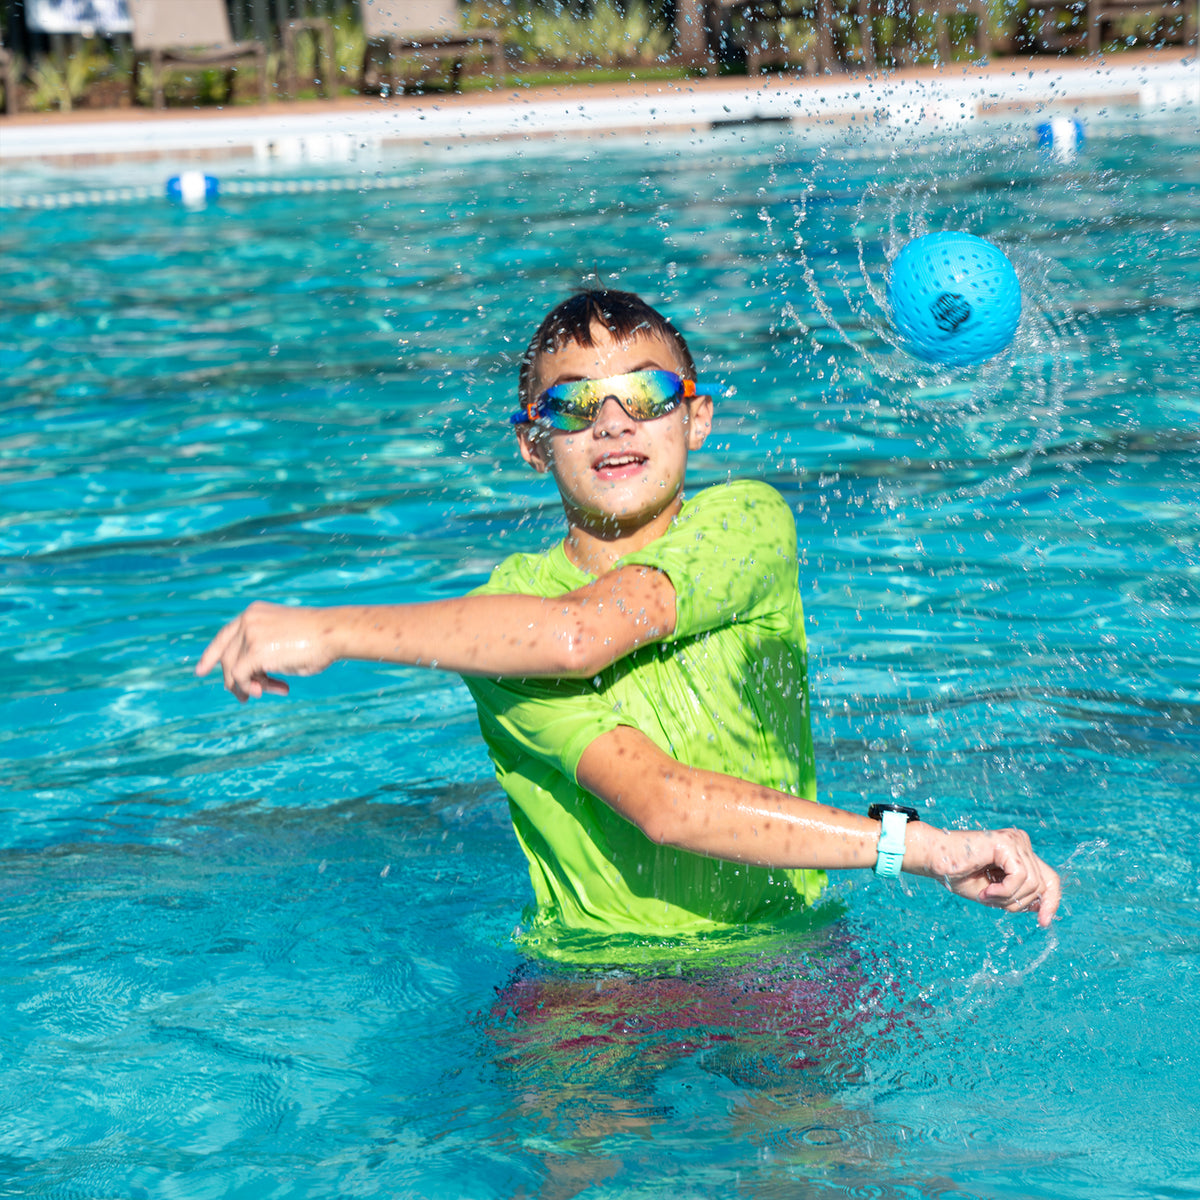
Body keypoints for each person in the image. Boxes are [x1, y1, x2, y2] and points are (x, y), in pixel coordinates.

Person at [196, 288, 1061, 964]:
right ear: (534, 444)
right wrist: (921, 850)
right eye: (572, 405)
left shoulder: (747, 523)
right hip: (589, 982)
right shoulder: (500, 617)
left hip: (780, 954)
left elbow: (591, 634)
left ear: (698, 417)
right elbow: (659, 802)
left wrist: (333, 629)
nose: (613, 421)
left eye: (646, 395)